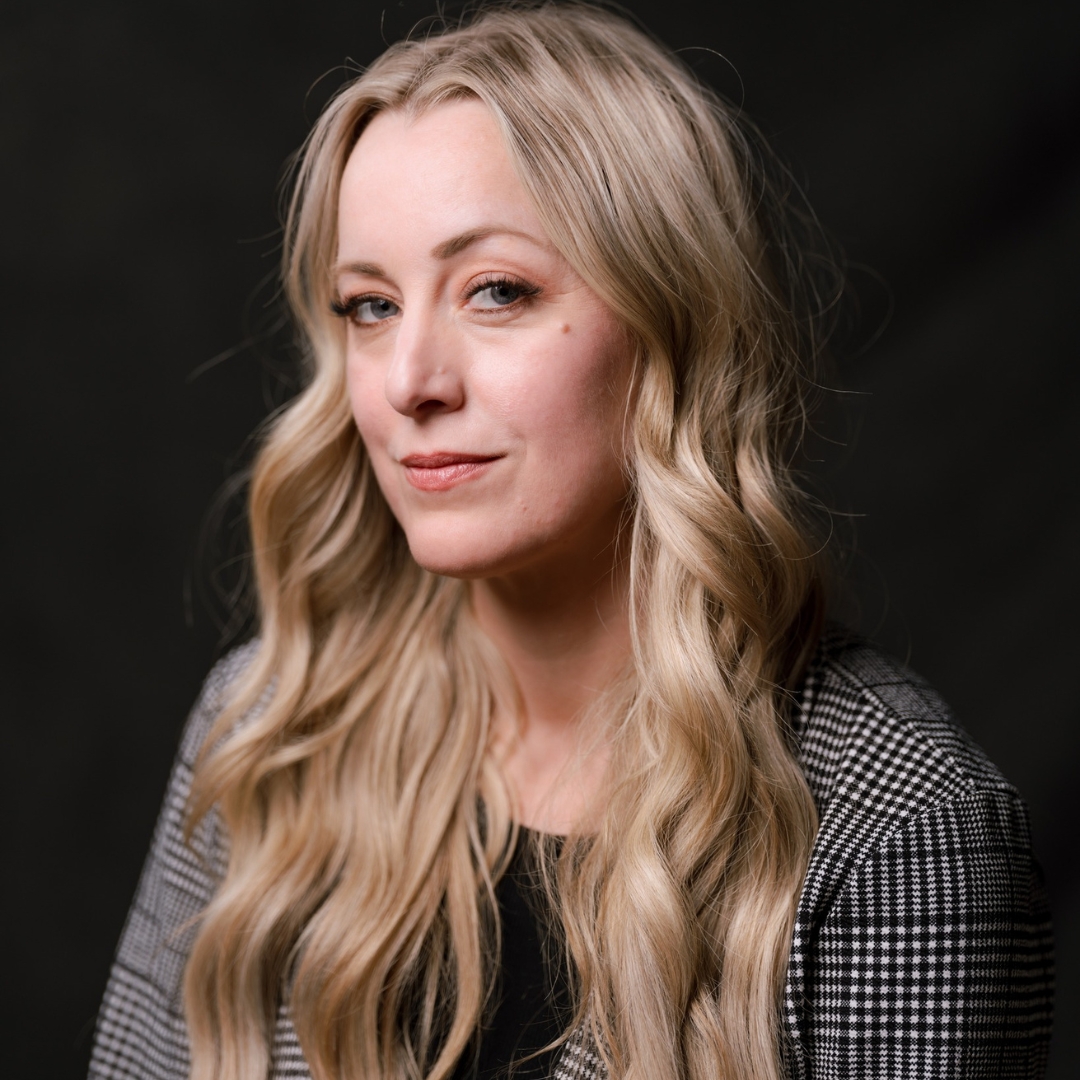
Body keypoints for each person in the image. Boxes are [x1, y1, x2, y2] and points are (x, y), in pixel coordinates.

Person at [87, 4, 1054, 1079]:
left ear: (673, 320)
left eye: (496, 291)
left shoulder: (902, 826)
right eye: (369, 306)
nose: (410, 382)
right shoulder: (270, 729)